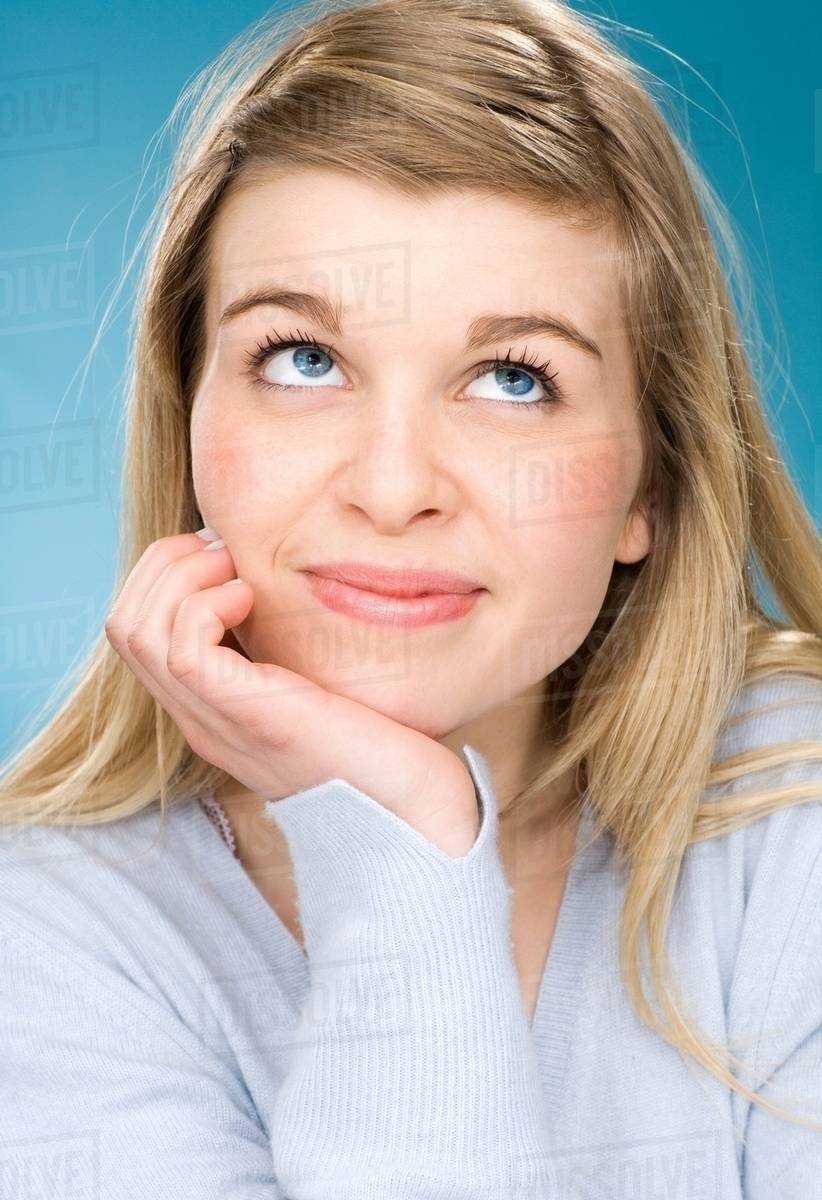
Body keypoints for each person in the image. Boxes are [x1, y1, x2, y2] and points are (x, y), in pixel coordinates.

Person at [1, 0, 820, 1195]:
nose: (392, 491)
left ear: (652, 478)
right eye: (304, 360)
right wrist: (404, 860)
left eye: (513, 379)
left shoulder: (790, 812)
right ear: (188, 418)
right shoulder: (43, 944)